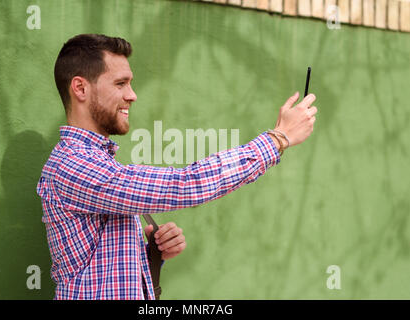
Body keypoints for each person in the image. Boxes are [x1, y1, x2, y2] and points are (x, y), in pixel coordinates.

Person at [36, 34, 317, 300]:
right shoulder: (73, 165)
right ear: (80, 88)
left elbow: (100, 276)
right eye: (120, 84)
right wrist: (278, 139)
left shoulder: (97, 162)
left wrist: (150, 253)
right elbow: (185, 184)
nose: (132, 95)